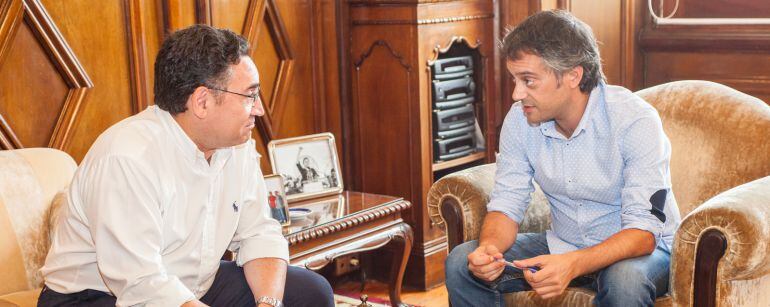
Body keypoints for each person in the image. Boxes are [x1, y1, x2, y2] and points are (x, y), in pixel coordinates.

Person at [38, 25, 334, 307]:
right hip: (97, 296)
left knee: (310, 293)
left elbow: (259, 233)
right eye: (250, 95)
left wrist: (269, 302)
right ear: (202, 102)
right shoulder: (128, 158)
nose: (259, 109)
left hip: (190, 283)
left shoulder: (237, 145)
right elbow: (141, 284)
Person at [445, 10, 681, 306]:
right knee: (460, 262)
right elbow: (507, 203)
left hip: (641, 253)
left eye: (529, 81)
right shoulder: (520, 121)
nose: (517, 94)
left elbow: (643, 233)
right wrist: (489, 250)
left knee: (624, 282)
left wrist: (574, 263)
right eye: (515, 80)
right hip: (564, 244)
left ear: (573, 75)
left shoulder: (634, 121)